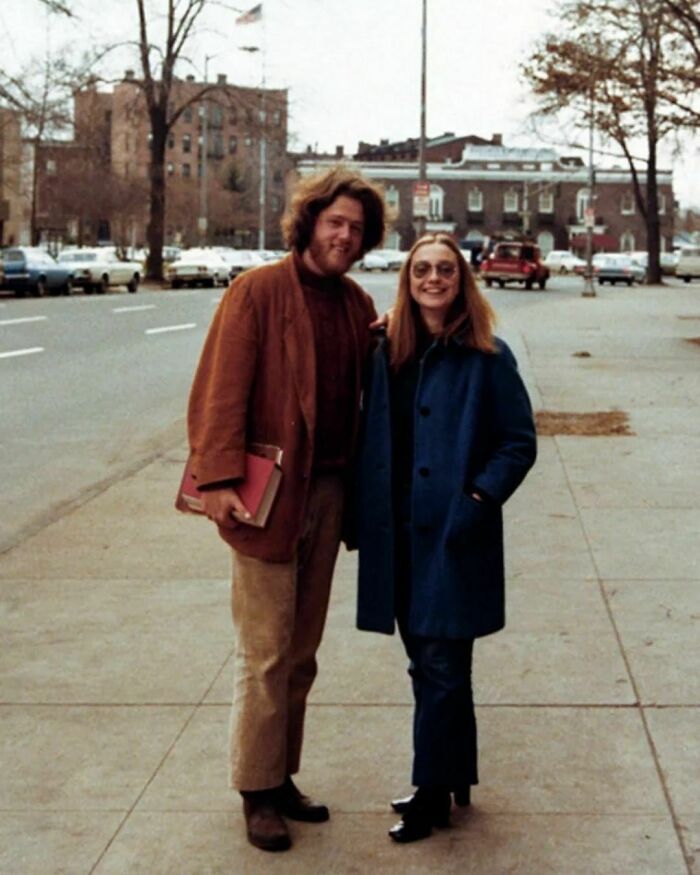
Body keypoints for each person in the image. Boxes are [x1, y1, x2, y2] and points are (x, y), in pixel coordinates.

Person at [187, 167, 386, 852]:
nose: (346, 235)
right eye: (335, 222)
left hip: (330, 492)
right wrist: (217, 481)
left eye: (357, 228)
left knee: (302, 651)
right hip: (267, 494)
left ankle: (281, 773)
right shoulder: (259, 292)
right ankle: (256, 790)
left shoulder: (357, 303)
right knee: (267, 650)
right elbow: (221, 388)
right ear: (309, 222)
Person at [355, 232, 537, 843]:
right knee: (428, 665)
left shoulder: (488, 355)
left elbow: (518, 443)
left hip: (454, 534)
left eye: (445, 270)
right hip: (397, 533)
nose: (433, 279)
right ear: (407, 281)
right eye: (422, 270)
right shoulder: (386, 352)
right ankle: (452, 774)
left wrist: (479, 499)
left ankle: (432, 794)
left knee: (440, 664)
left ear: (462, 281)